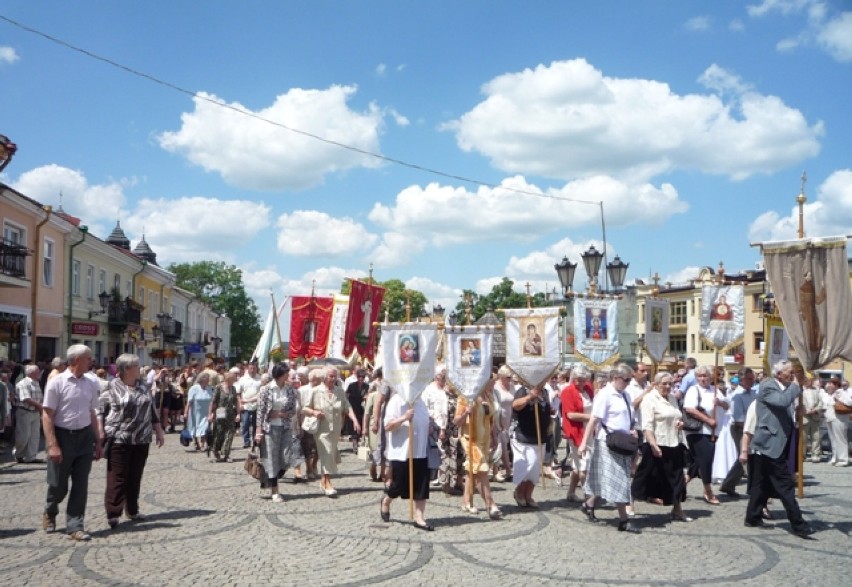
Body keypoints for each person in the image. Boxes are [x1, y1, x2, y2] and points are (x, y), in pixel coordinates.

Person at [743, 360, 813, 537]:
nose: (792, 375)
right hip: (768, 443)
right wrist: (797, 385)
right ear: (779, 373)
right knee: (785, 486)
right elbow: (781, 402)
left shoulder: (788, 388)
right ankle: (799, 525)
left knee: (761, 484)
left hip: (780, 442)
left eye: (793, 372)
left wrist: (798, 411)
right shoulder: (768, 386)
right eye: (789, 372)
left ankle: (752, 517)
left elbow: (787, 407)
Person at [41, 344, 104, 541]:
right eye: (88, 358)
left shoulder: (91, 383)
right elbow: (47, 415)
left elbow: (92, 412)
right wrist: (52, 444)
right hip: (62, 436)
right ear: (76, 360)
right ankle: (50, 511)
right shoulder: (57, 382)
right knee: (58, 484)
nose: (91, 362)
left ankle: (75, 525)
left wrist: (98, 440)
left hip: (84, 437)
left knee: (81, 484)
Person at [101, 354, 165, 529]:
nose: (140, 368)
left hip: (142, 437)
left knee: (135, 475)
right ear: (126, 369)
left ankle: (132, 509)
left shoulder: (142, 386)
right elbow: (100, 410)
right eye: (137, 366)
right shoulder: (111, 387)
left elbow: (151, 409)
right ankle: (114, 513)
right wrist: (100, 432)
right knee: (118, 477)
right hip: (120, 437)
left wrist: (158, 430)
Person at [578, 363, 640, 533]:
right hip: (608, 442)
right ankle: (624, 520)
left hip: (624, 442)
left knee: (608, 478)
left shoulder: (626, 395)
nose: (628, 383)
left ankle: (588, 504)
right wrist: (584, 443)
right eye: (625, 380)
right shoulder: (605, 394)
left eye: (629, 380)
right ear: (615, 378)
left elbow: (628, 417)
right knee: (620, 479)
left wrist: (632, 430)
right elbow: (593, 419)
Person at [630, 372, 690, 522]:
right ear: (656, 384)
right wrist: (653, 444)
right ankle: (629, 503)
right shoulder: (649, 400)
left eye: (670, 383)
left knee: (676, 477)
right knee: (644, 476)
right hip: (657, 443)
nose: (668, 386)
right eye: (664, 383)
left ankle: (677, 509)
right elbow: (647, 426)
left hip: (674, 442)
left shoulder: (672, 399)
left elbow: (677, 416)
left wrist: (681, 423)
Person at [380, 388, 434, 530]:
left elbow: (424, 422)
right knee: (398, 485)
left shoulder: (421, 402)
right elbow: (388, 426)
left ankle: (419, 517)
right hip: (402, 452)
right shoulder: (397, 401)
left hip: (420, 451)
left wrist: (429, 427)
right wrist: (404, 417)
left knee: (422, 486)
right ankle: (386, 501)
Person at [302, 367, 361, 496]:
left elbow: (347, 407)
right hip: (322, 430)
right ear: (324, 377)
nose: (333, 379)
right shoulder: (315, 391)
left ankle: (323, 481)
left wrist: (355, 421)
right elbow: (305, 408)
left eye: (335, 376)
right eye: (330, 376)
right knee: (327, 452)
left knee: (329, 454)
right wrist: (314, 412)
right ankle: (328, 483)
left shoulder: (340, 392)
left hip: (335, 430)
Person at [455, 381, 503, 519]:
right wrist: (466, 413)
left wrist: (494, 437)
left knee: (473, 469)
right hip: (471, 439)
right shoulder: (466, 397)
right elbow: (456, 421)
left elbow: (491, 419)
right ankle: (490, 504)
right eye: (491, 382)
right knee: (482, 470)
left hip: (485, 438)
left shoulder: (489, 396)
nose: (493, 384)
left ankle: (466, 501)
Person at [254, 363, 300, 502]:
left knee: (286, 457)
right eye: (287, 373)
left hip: (285, 427)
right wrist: (258, 430)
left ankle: (271, 478)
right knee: (272, 459)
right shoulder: (266, 390)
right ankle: (275, 490)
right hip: (270, 428)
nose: (289, 376)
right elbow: (260, 411)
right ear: (280, 374)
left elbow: (293, 409)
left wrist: (283, 414)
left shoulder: (290, 390)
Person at [682, 365, 722, 505]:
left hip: (713, 431)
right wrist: (708, 420)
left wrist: (720, 402)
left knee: (698, 460)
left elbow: (728, 406)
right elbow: (689, 409)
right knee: (705, 459)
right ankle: (708, 490)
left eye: (705, 376)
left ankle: (683, 482)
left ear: (711, 377)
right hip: (698, 431)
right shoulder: (694, 390)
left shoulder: (715, 390)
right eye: (700, 376)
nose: (703, 379)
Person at [511, 379, 551, 510]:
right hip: (525, 436)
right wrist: (529, 397)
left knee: (535, 469)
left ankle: (528, 495)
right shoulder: (523, 391)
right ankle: (519, 492)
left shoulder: (545, 392)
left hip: (541, 436)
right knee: (528, 465)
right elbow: (515, 405)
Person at [719, 368, 756, 496]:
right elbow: (739, 419)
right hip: (740, 429)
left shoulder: (754, 393)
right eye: (749, 379)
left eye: (753, 378)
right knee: (744, 457)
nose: (753, 381)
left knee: (745, 457)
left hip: (751, 428)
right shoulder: (736, 396)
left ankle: (728, 484)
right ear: (742, 380)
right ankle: (753, 488)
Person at [560, 366, 594, 502]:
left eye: (583, 380)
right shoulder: (568, 391)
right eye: (577, 380)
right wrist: (591, 417)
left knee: (577, 463)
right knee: (583, 463)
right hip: (577, 431)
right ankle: (588, 497)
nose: (580, 383)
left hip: (590, 430)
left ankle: (571, 493)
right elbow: (570, 415)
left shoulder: (588, 390)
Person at [208, 368, 242, 463]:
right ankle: (215, 450)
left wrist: (238, 414)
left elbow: (236, 401)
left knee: (230, 434)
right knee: (218, 433)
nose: (234, 381)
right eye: (232, 379)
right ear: (227, 379)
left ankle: (226, 454)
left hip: (230, 414)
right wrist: (210, 414)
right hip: (220, 413)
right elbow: (213, 402)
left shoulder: (233, 388)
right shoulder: (219, 388)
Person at [14, 364, 44, 464]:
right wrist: (39, 406)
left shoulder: (36, 383)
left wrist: (42, 406)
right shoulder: (23, 383)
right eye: (38, 371)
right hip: (25, 412)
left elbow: (40, 397)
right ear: (32, 373)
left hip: (35, 412)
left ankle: (31, 457)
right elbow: (26, 398)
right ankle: (18, 454)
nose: (39, 373)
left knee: (35, 436)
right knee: (24, 435)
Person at [822, 378, 852, 467]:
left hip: (839, 418)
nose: (829, 385)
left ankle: (843, 459)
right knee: (833, 439)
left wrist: (838, 399)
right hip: (831, 418)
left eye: (831, 383)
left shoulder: (841, 392)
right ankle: (835, 457)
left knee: (840, 439)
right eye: (828, 383)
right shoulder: (829, 394)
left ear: (836, 385)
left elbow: (850, 402)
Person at [493, 365, 515, 482]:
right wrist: (498, 422)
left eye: (510, 377)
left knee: (505, 445)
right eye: (507, 377)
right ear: (501, 376)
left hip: (509, 419)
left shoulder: (512, 386)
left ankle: (507, 470)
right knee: (499, 445)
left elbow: (514, 401)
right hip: (498, 418)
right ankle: (497, 471)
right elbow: (496, 405)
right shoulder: (496, 387)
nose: (510, 379)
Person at [185, 372, 213, 452]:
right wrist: (186, 412)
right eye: (207, 379)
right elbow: (189, 401)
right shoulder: (194, 388)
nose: (208, 380)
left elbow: (211, 401)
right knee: (194, 428)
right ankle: (196, 442)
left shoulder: (209, 388)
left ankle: (202, 444)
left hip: (206, 412)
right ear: (202, 379)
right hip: (195, 412)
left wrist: (211, 413)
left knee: (204, 428)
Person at [237, 362, 261, 449]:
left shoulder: (260, 379)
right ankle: (246, 441)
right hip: (245, 405)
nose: (252, 370)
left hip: (257, 405)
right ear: (248, 369)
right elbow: (238, 393)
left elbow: (262, 393)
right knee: (245, 424)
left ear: (256, 368)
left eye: (254, 368)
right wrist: (240, 404)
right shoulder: (243, 379)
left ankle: (255, 441)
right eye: (251, 368)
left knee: (256, 424)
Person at [345, 369, 369, 451]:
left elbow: (368, 396)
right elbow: (346, 396)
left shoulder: (366, 386)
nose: (361, 379)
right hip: (353, 407)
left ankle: (359, 441)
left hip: (362, 409)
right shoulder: (352, 385)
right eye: (359, 377)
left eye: (362, 377)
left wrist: (366, 397)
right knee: (353, 426)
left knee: (361, 425)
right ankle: (355, 443)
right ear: (357, 377)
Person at [801, 378, 824, 463]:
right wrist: (807, 411)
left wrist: (816, 409)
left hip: (815, 416)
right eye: (807, 381)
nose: (809, 382)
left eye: (811, 381)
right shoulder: (800, 390)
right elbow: (798, 403)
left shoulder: (816, 391)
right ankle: (802, 455)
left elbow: (821, 403)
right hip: (805, 417)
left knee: (816, 437)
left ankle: (815, 455)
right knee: (803, 438)